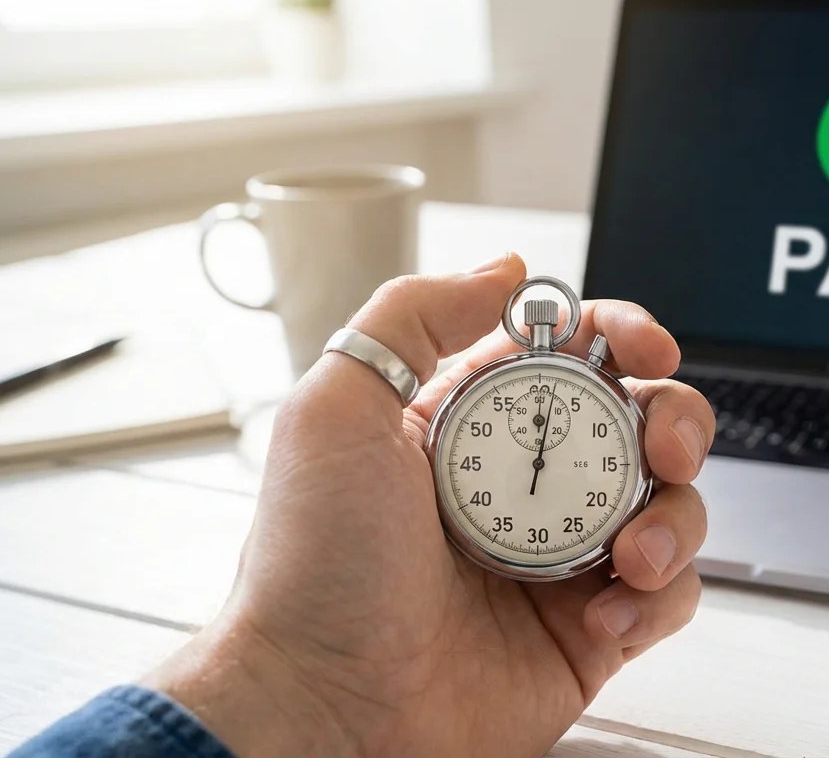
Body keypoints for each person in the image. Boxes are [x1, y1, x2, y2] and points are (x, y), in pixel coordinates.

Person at [13, 254, 715, 757]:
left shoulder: (606, 408)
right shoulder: (446, 422)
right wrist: (302, 673)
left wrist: (295, 692)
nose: (535, 457)